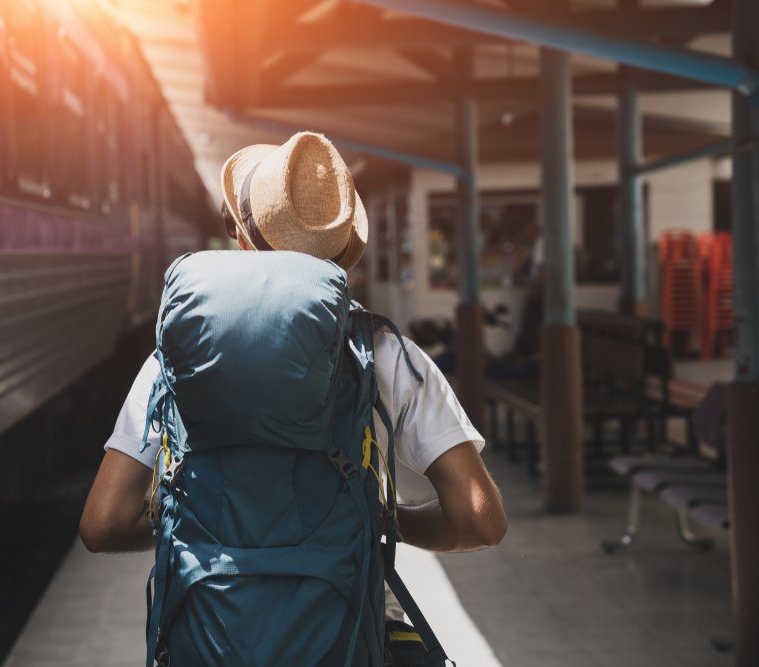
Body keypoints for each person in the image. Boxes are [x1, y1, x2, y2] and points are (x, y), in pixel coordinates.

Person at [79, 132, 507, 656]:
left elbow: (102, 524)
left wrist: (184, 521)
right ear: (344, 251)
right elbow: (478, 518)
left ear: (242, 240)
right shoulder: (389, 355)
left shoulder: (175, 357)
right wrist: (383, 517)